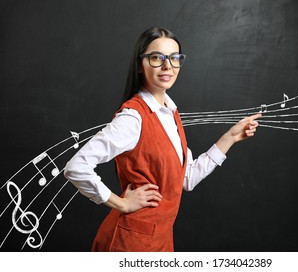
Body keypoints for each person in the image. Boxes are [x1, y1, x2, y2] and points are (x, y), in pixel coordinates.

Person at [64, 27, 261, 252]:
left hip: (161, 241)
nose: (168, 66)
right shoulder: (133, 117)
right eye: (157, 58)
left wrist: (231, 137)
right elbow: (76, 167)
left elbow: (186, 178)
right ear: (140, 64)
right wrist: (122, 203)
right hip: (129, 243)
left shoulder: (170, 111)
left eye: (175, 58)